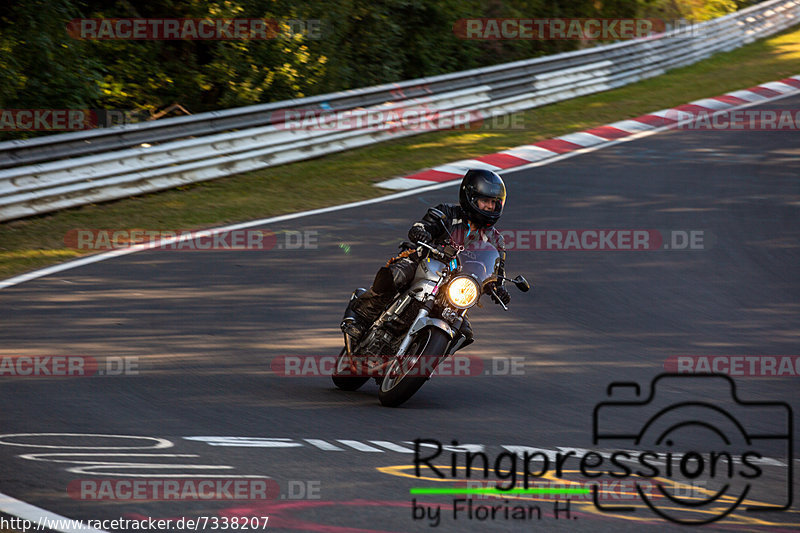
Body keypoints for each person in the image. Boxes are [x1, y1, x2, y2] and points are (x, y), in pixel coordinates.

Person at [341, 168, 511, 342]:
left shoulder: (496, 240)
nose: (490, 206)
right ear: (470, 197)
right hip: (424, 264)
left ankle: (426, 355)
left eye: (494, 202)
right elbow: (422, 226)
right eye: (485, 201)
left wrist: (499, 287)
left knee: (464, 332)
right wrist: (421, 232)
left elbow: (496, 271)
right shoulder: (447, 213)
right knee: (397, 274)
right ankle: (360, 315)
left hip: (455, 287)